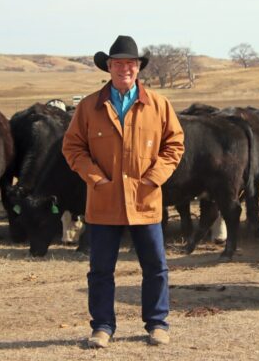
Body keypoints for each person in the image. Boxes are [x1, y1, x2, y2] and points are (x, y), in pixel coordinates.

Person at [62, 35, 185, 348]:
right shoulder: (90, 106)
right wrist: (95, 179)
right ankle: (102, 327)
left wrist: (154, 178)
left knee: (155, 267)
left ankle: (157, 324)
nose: (124, 68)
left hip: (145, 200)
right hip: (104, 202)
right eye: (118, 63)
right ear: (108, 67)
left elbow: (174, 144)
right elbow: (73, 147)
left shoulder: (158, 105)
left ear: (138, 68)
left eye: (130, 63)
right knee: (101, 269)